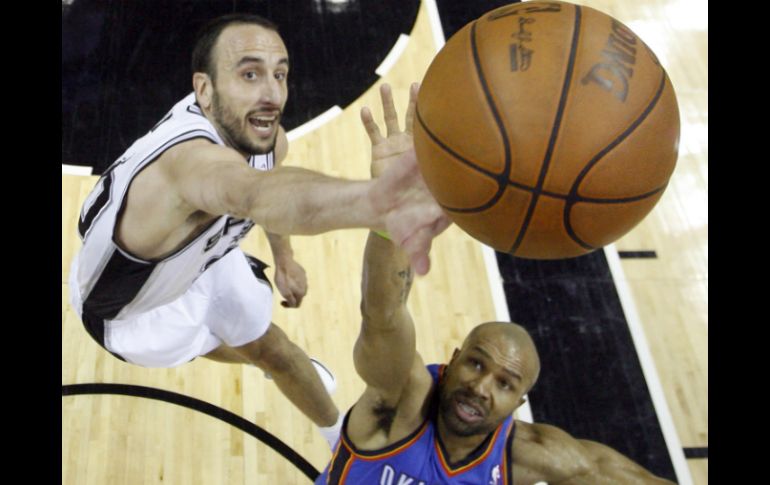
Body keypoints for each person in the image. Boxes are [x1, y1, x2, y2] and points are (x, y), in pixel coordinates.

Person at [67, 13, 448, 449]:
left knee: (276, 350)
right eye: (250, 74)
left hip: (204, 262)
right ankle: (256, 360)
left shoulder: (263, 136)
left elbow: (269, 187)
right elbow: (251, 194)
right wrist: (374, 202)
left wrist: (284, 258)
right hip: (132, 313)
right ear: (204, 91)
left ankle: (335, 439)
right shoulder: (188, 165)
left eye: (279, 74)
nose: (272, 94)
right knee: (212, 342)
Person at [315, 83, 678, 484]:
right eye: (475, 363)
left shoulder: (531, 456)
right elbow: (381, 316)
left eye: (504, 384)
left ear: (518, 403)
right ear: (451, 362)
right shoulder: (400, 402)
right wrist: (392, 219)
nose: (480, 386)